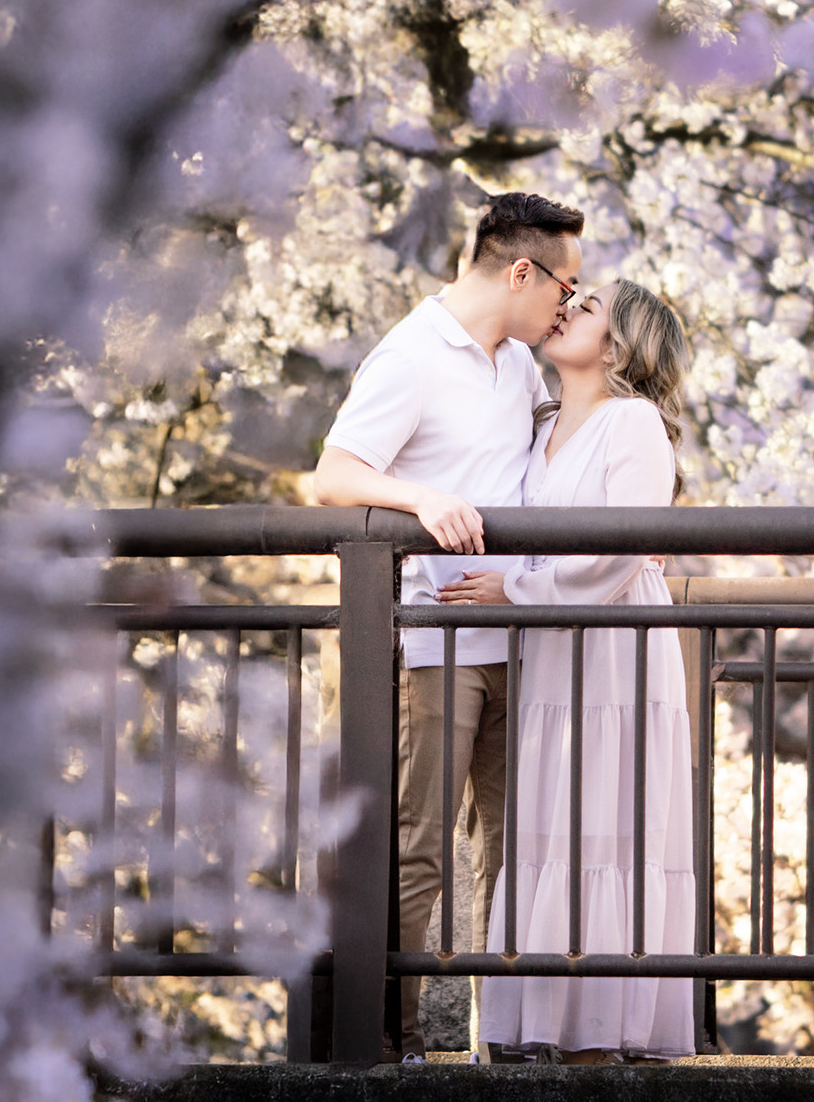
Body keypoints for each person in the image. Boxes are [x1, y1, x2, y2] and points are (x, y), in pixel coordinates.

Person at [310, 190, 585, 1062]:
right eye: (562, 286)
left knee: (511, 846)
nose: (568, 304)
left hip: (518, 636)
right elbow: (334, 474)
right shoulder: (412, 353)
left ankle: (500, 1038)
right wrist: (420, 496)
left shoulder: (519, 364)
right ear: (519, 270)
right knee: (420, 845)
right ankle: (387, 1038)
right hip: (436, 643)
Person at [439, 279, 697, 1064]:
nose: (568, 307)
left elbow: (621, 549)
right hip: (554, 648)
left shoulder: (635, 421)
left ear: (618, 347)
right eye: (571, 295)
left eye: (587, 307)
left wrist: (515, 588)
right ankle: (544, 1025)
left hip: (614, 650)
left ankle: (603, 1035)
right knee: (554, 818)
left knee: (608, 819)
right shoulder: (544, 423)